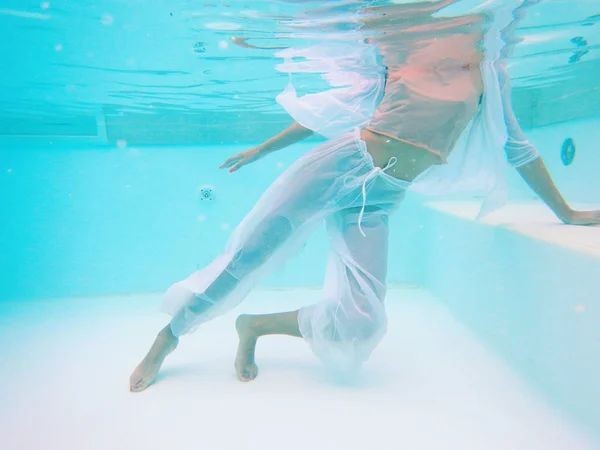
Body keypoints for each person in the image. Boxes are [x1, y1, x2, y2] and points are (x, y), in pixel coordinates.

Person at [129, 0, 600, 392]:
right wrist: (262, 147)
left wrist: (567, 211)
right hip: (342, 165)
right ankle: (167, 338)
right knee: (247, 256)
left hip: (380, 199)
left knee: (360, 323)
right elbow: (332, 109)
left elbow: (517, 147)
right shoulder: (395, 49)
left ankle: (254, 325)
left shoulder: (489, 75)